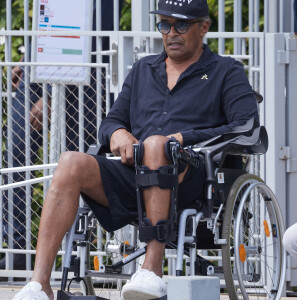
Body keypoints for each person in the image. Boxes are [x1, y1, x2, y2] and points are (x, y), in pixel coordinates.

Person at [12, 0, 258, 299]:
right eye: (164, 24)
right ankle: (40, 284)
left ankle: (151, 269)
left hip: (191, 179)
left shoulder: (225, 70)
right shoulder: (144, 68)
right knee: (70, 162)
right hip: (134, 173)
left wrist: (182, 138)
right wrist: (117, 133)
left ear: (203, 27)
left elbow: (246, 126)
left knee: (157, 143)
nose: (171, 33)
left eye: (181, 24)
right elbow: (112, 119)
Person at [1, 0, 122, 274]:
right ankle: (18, 251)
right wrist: (28, 57)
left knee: (78, 165)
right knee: (15, 154)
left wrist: (54, 95)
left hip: (84, 75)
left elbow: (93, 35)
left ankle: (77, 257)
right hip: (42, 64)